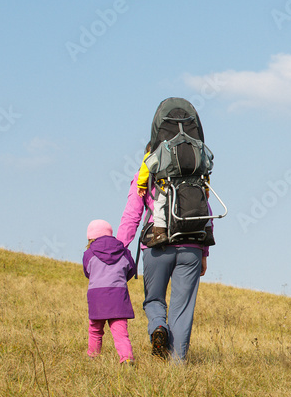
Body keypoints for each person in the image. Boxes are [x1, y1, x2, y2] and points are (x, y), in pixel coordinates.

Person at [118, 170, 210, 362]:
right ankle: (177, 364)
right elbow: (205, 212)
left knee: (154, 299)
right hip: (191, 245)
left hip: (156, 243)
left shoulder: (145, 175)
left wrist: (119, 249)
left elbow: (132, 215)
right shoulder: (193, 173)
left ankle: (159, 326)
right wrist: (204, 252)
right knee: (183, 308)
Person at [83, 219, 136, 365]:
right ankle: (126, 358)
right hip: (118, 296)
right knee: (120, 331)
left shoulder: (89, 253)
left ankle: (93, 357)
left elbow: (88, 272)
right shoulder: (124, 251)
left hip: (97, 297)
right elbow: (131, 269)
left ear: (90, 237)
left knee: (95, 329)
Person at [136, 143, 169, 247]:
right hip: (189, 239)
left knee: (158, 205)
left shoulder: (144, 173)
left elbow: (131, 215)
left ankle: (159, 233)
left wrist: (141, 184)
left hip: (153, 237)